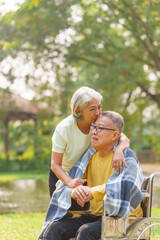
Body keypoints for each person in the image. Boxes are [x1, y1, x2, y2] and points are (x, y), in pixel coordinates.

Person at [45, 111, 143, 240]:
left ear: (114, 135)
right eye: (94, 127)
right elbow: (76, 181)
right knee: (55, 228)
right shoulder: (90, 157)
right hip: (97, 216)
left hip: (124, 219)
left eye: (100, 128)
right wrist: (76, 191)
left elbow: (124, 185)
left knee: (86, 231)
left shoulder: (125, 157)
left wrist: (92, 192)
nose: (94, 132)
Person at [49, 87, 129, 199]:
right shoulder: (64, 129)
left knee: (81, 214)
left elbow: (122, 137)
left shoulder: (98, 123)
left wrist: (119, 150)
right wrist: (69, 181)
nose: (98, 112)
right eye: (92, 109)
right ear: (78, 110)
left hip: (84, 174)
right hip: (63, 175)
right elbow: (55, 164)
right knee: (59, 215)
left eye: (99, 107)